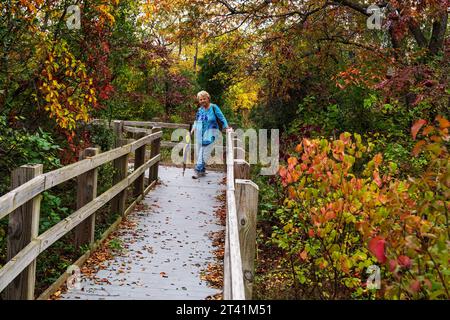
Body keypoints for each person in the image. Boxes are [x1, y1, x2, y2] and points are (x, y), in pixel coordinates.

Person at [191, 90, 232, 179]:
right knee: (200, 153)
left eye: (204, 99)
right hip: (200, 134)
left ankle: (197, 170)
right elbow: (196, 120)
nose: (202, 101)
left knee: (204, 153)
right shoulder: (200, 110)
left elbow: (222, 117)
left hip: (212, 134)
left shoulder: (213, 107)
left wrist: (226, 126)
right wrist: (193, 128)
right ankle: (202, 170)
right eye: (200, 99)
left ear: (208, 98)